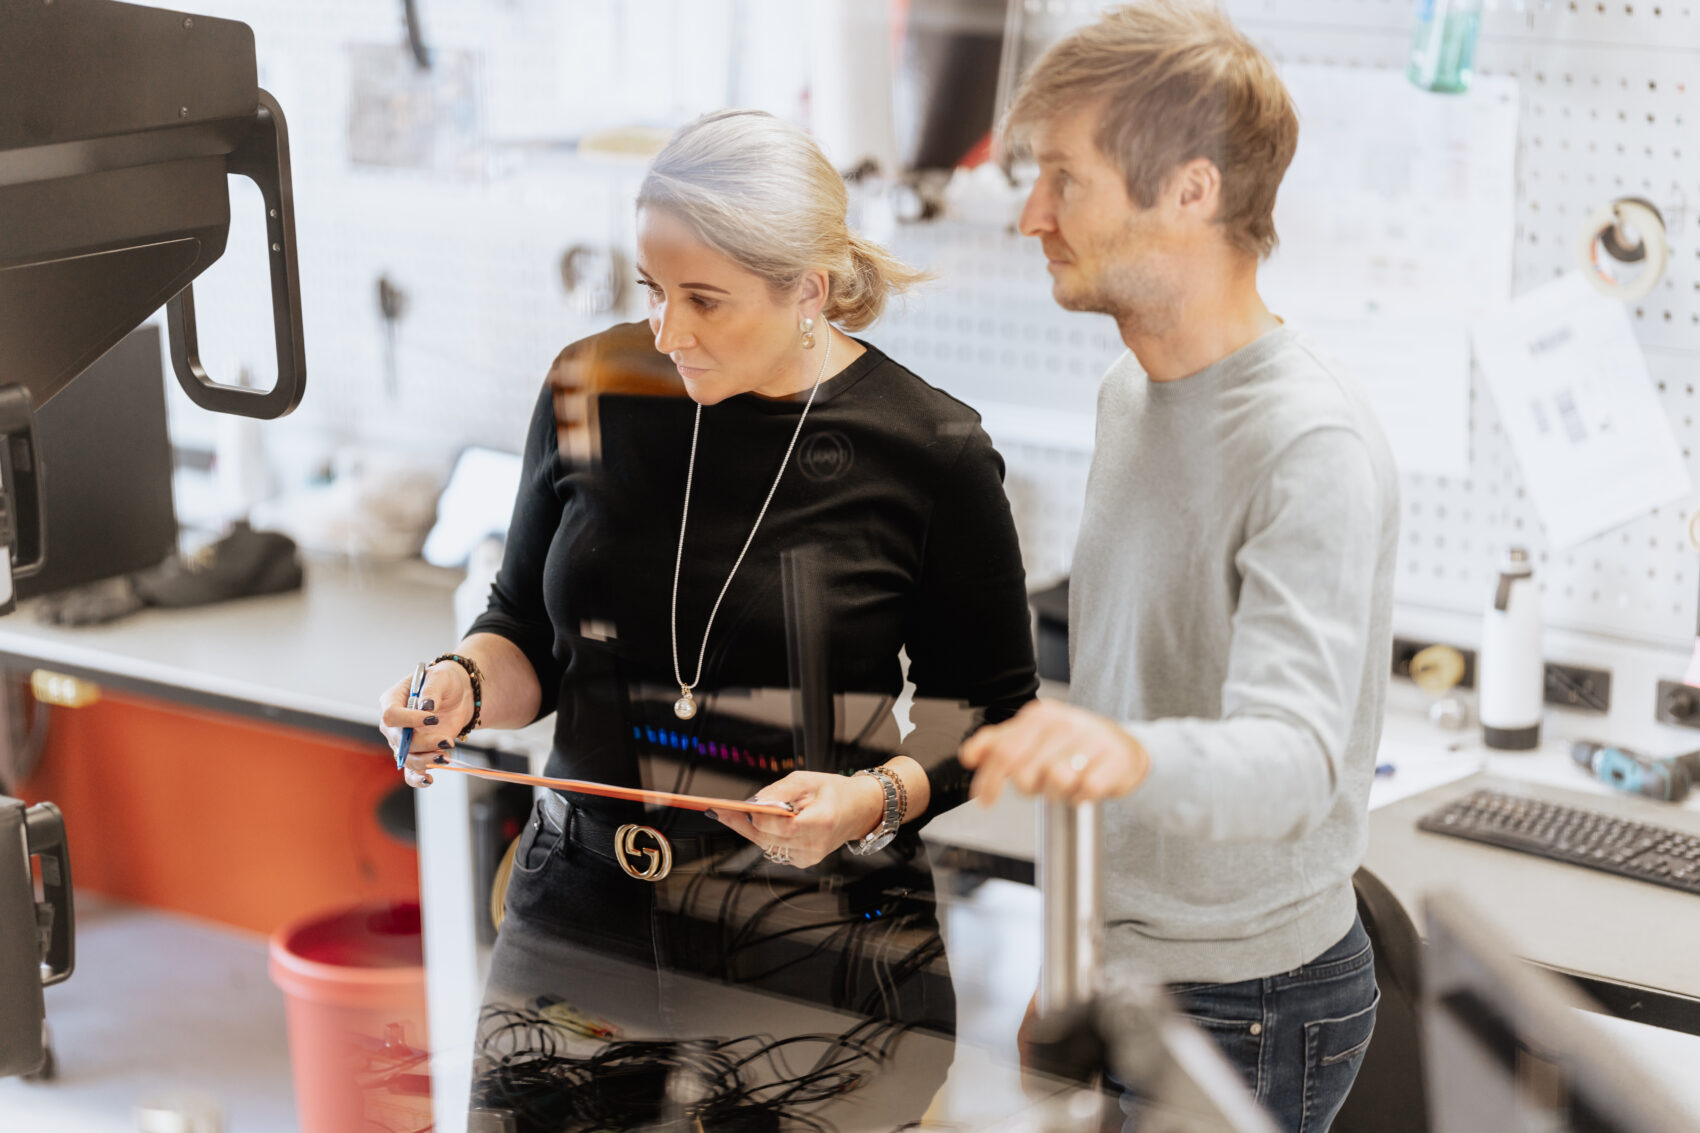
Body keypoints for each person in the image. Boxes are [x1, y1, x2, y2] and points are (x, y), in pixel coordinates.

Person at [379, 109, 1038, 1127]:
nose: (665, 330)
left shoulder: (927, 449)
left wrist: (869, 799)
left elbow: (988, 712)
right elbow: (518, 629)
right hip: (579, 915)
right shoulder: (590, 386)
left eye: (704, 300)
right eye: (650, 288)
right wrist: (458, 688)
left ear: (807, 290)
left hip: (809, 934)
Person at [958, 4, 1400, 1130]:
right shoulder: (1131, 393)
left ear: (1190, 190)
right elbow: (1128, 690)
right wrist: (1073, 964)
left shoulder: (1308, 442)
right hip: (1128, 963)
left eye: (1065, 177)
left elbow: (1294, 757)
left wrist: (1108, 750)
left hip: (1248, 1002)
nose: (1031, 215)